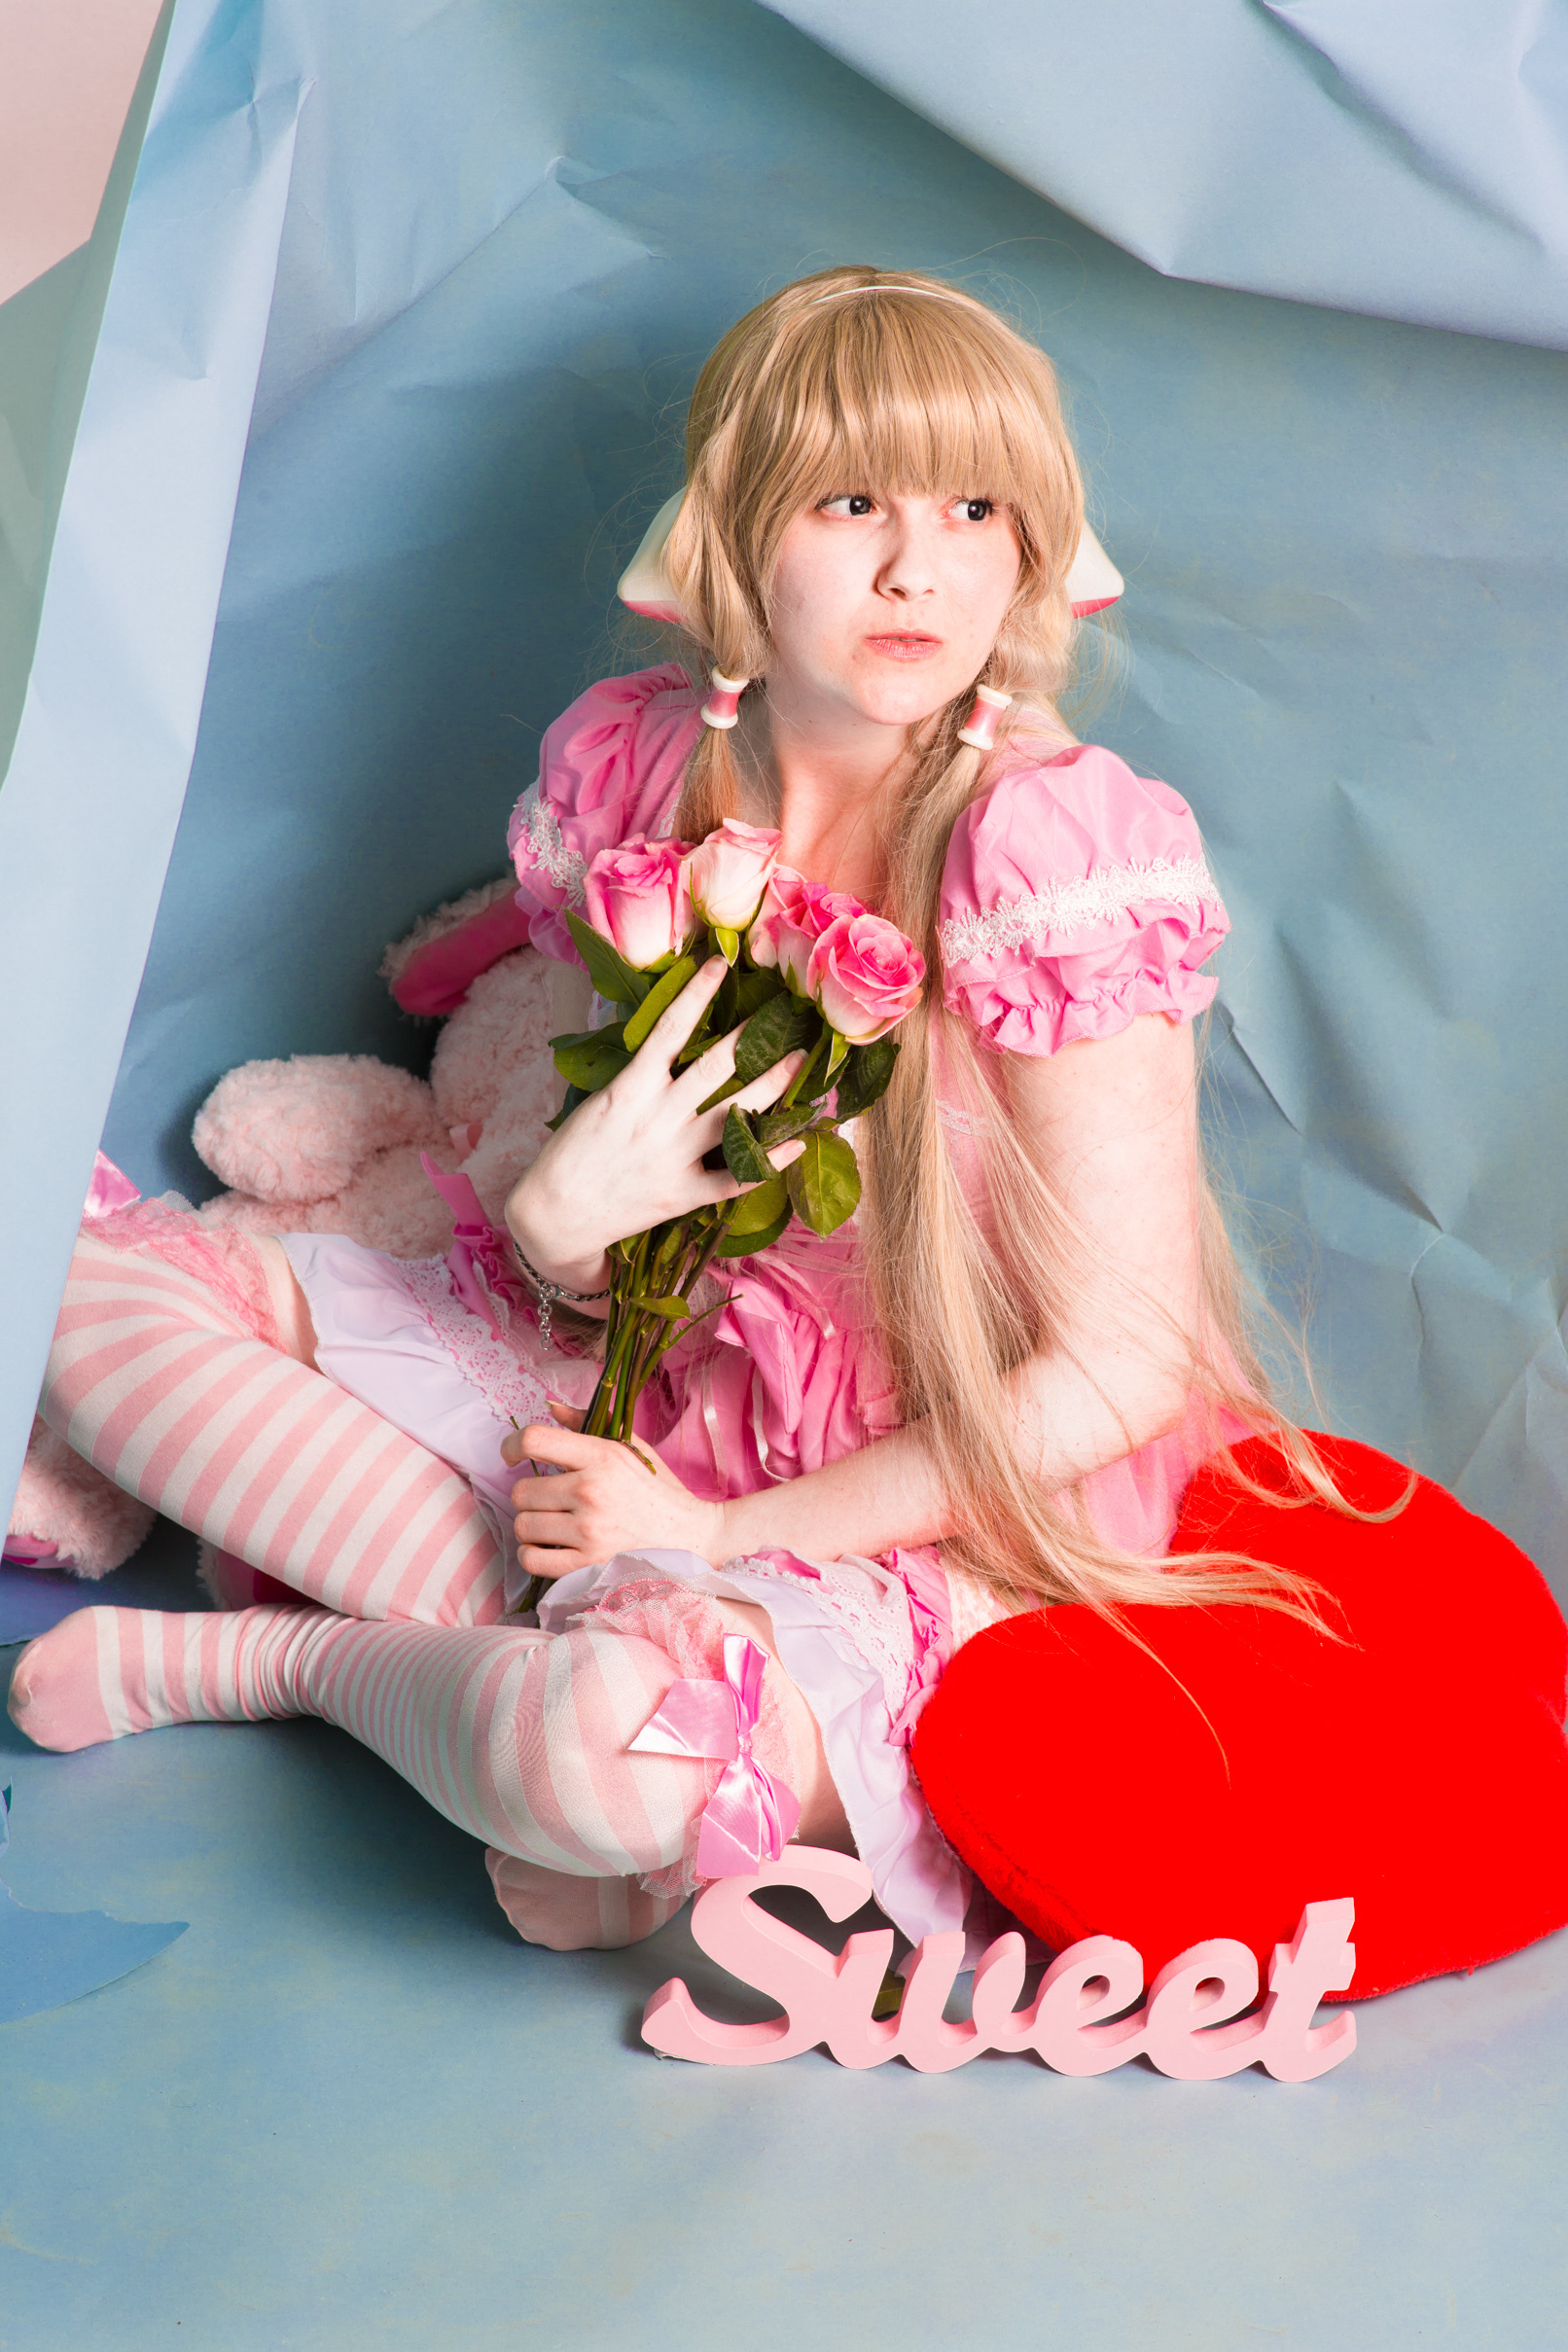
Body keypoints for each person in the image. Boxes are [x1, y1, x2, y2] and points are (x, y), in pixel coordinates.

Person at [8, 267, 1336, 1958]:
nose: (918, 567)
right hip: (651, 1409)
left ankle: (300, 1660)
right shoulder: (649, 774)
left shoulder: (1047, 851)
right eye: (850, 503)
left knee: (622, 1757)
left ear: (1030, 549)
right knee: (73, 1288)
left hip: (940, 1497)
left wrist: (716, 1538)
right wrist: (556, 1229)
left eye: (974, 508)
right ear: (735, 528)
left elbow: (1117, 1368)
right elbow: (633, 1231)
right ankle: (510, 1650)